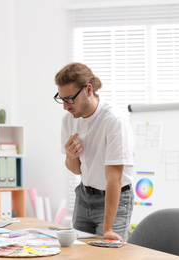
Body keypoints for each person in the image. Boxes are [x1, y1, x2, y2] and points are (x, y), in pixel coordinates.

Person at [54, 62, 135, 241]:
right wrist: (71, 156)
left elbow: (115, 177)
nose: (65, 106)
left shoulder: (114, 121)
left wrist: (107, 229)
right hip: (84, 196)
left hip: (114, 197)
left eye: (69, 99)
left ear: (88, 90)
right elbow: (76, 170)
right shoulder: (69, 120)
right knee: (80, 252)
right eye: (61, 99)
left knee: (107, 253)